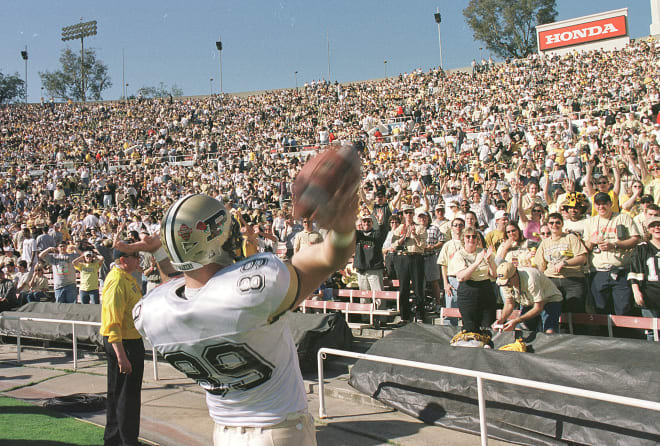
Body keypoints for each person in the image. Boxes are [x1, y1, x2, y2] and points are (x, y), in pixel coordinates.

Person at [131, 187, 357, 444]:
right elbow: (331, 257)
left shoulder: (151, 312)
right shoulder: (253, 288)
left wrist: (161, 254)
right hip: (277, 429)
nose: (234, 237)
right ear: (214, 240)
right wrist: (343, 221)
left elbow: (179, 285)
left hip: (224, 433)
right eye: (229, 233)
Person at [100, 246, 144, 446]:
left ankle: (117, 438)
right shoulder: (117, 280)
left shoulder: (127, 277)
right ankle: (125, 440)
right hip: (123, 343)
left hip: (130, 340)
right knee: (126, 395)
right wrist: (121, 355)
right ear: (123, 259)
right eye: (136, 256)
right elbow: (112, 321)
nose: (139, 260)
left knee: (124, 393)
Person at [583, 192, 641, 316]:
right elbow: (585, 248)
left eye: (604, 204)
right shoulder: (590, 222)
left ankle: (621, 335)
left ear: (610, 204)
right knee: (601, 309)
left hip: (620, 271)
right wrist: (591, 241)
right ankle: (604, 335)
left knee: (623, 309)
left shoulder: (623, 218)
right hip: (599, 271)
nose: (601, 207)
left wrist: (615, 244)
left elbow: (635, 239)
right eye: (598, 204)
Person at [449, 226, 497, 335]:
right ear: (463, 239)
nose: (471, 239)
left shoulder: (483, 252)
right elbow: (461, 277)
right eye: (468, 236)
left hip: (486, 289)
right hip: (468, 291)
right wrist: (476, 263)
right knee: (470, 327)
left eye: (474, 236)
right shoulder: (459, 255)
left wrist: (489, 261)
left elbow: (494, 275)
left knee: (487, 327)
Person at [495, 262, 564, 333]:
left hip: (550, 299)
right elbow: (509, 304)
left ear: (515, 275)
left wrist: (516, 320)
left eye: (507, 282)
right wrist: (501, 320)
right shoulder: (505, 282)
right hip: (529, 302)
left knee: (549, 332)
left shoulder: (531, 279)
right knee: (520, 330)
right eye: (504, 283)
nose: (506, 285)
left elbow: (538, 308)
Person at [390, 204, 428, 322]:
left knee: (418, 288)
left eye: (411, 213)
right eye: (406, 213)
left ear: (413, 214)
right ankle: (404, 316)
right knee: (403, 288)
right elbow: (393, 244)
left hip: (416, 257)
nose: (408, 215)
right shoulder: (399, 228)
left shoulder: (420, 227)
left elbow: (422, 246)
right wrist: (404, 237)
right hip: (403, 258)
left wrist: (414, 235)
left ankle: (420, 315)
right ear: (403, 214)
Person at [628, 216, 660, 340]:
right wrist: (636, 291)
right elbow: (634, 271)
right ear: (648, 229)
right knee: (652, 330)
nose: (657, 228)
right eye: (653, 225)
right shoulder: (642, 248)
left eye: (659, 224)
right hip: (650, 294)